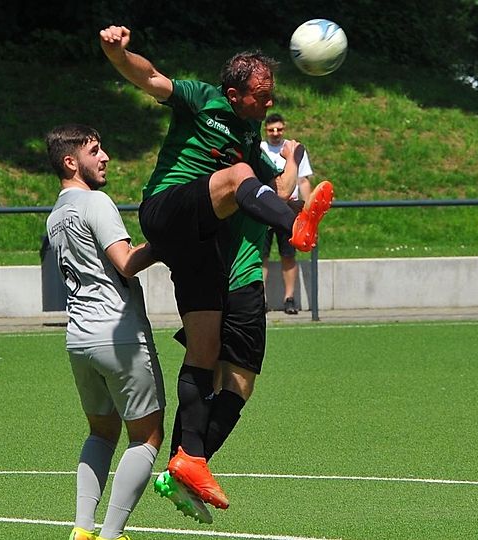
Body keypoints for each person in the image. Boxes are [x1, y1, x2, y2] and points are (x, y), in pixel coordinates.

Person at [99, 24, 334, 512]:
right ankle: (294, 230)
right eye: (261, 97)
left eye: (272, 96)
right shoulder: (202, 98)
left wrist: (292, 163)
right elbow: (151, 79)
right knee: (236, 178)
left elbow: (271, 183)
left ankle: (190, 460)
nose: (269, 106)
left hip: (198, 244)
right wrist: (119, 55)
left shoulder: (250, 135)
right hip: (166, 208)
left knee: (205, 350)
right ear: (233, 93)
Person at [45, 124, 165, 540]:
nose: (105, 156)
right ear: (70, 161)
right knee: (147, 436)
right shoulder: (95, 202)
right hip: (118, 334)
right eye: (94, 150)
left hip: (78, 337)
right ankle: (112, 535)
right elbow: (126, 262)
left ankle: (82, 530)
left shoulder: (56, 215)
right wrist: (165, 241)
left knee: (101, 431)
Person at [157, 205, 273, 523]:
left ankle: (179, 464)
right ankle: (184, 468)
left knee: (209, 374)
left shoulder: (219, 168)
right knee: (239, 383)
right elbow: (281, 189)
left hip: (215, 285)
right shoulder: (251, 165)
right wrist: (293, 155)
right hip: (242, 282)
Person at [260, 113, 314, 315]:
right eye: (271, 129)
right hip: (264, 209)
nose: (275, 133)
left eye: (279, 129)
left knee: (288, 255)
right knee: (260, 256)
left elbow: (303, 181)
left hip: (287, 210)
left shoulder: (293, 150)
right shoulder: (260, 149)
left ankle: (289, 298)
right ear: (266, 130)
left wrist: (308, 212)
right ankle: (261, 299)